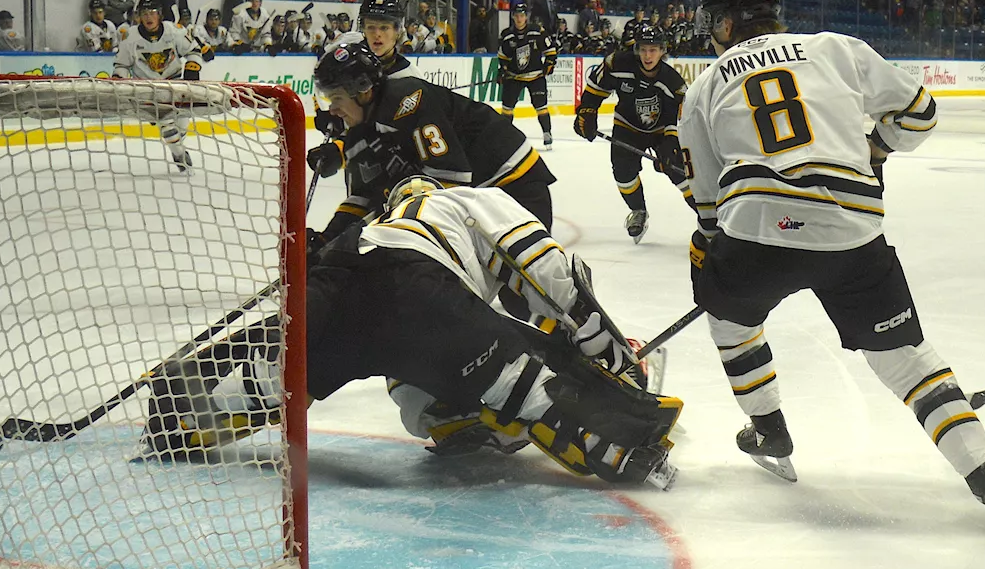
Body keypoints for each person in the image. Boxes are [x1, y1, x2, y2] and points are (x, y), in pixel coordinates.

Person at [679, 0, 985, 524]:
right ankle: (983, 471)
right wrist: (876, 148)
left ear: (724, 22)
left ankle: (769, 430)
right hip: (851, 227)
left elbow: (709, 207)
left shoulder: (705, 84)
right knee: (906, 360)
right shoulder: (835, 47)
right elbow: (921, 113)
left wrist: (718, 266)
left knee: (729, 319)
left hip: (758, 226)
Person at [136, 176, 682, 489]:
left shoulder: (374, 225)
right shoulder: (463, 199)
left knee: (278, 381)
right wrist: (607, 352)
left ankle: (176, 423)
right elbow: (546, 267)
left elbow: (404, 372)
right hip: (412, 287)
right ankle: (629, 449)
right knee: (525, 383)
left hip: (339, 290)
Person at [306, 37, 557, 255]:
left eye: (336, 98)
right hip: (478, 200)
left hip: (515, 185)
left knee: (520, 296)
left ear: (362, 92)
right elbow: (362, 197)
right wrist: (327, 240)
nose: (333, 109)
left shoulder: (407, 102)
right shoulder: (359, 131)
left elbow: (450, 184)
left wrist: (389, 210)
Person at [574, 21, 693, 243]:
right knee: (623, 172)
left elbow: (680, 117)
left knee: (680, 172)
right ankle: (638, 211)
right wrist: (587, 112)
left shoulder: (672, 81)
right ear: (637, 49)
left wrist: (670, 144)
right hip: (627, 125)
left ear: (662, 51)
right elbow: (595, 87)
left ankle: (708, 217)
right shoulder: (618, 64)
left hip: (660, 131)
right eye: (644, 50)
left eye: (654, 50)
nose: (648, 56)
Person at [112, 0, 202, 170]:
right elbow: (122, 65)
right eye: (144, 13)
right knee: (167, 128)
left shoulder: (174, 31)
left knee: (182, 125)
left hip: (176, 87)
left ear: (159, 15)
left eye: (152, 12)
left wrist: (192, 66)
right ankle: (179, 155)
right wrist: (119, 79)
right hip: (148, 91)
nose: (148, 17)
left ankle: (178, 149)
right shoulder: (130, 37)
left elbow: (193, 50)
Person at [496, 2, 557, 151]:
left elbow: (551, 49)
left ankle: (547, 133)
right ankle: (504, 135)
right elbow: (503, 57)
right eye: (516, 15)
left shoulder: (537, 31)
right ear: (513, 17)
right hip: (514, 77)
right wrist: (503, 69)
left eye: (522, 15)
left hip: (535, 76)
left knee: (541, 107)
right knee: (507, 109)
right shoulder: (507, 35)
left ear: (526, 17)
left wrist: (550, 62)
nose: (519, 18)